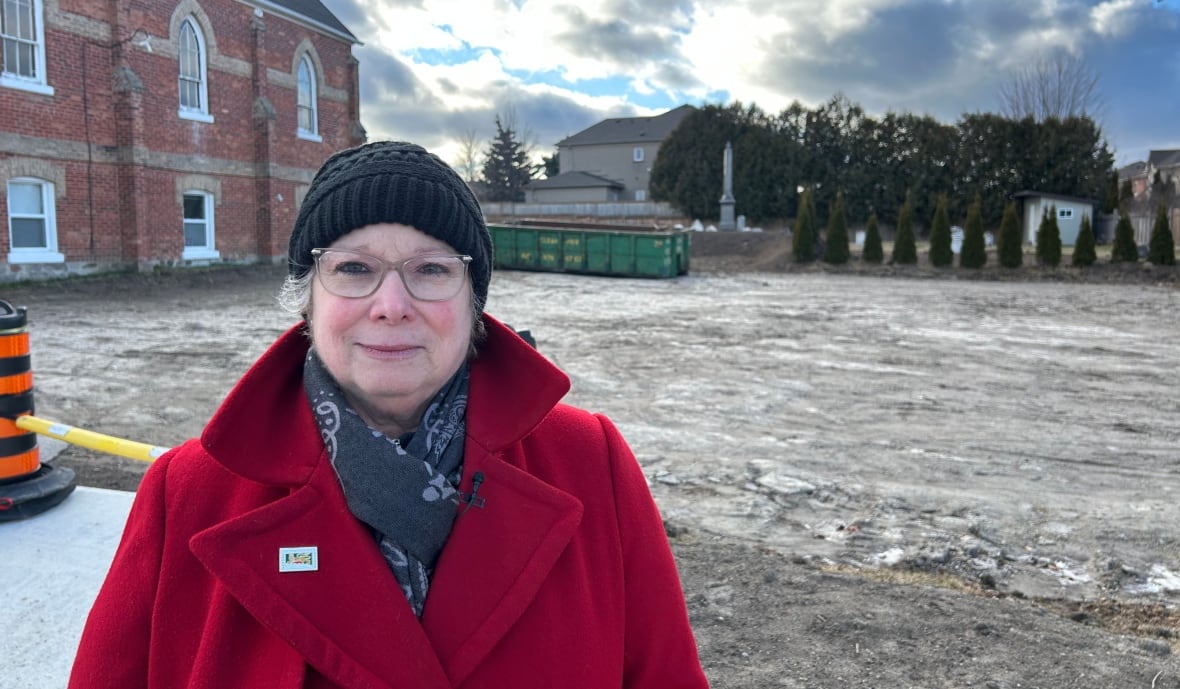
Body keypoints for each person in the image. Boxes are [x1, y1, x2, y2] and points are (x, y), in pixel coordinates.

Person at [68, 141, 710, 688]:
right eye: (353, 268)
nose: (392, 304)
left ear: (473, 302)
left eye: (431, 269)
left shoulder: (589, 462)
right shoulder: (187, 493)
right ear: (307, 299)